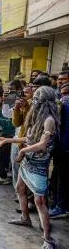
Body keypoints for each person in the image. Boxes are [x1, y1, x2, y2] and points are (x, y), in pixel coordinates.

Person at [0, 86, 59, 249]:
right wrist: (7, 140)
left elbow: (43, 144)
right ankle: (25, 218)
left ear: (44, 101)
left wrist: (23, 150)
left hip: (38, 164)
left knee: (39, 201)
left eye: (37, 97)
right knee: (19, 188)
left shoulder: (49, 120)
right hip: (28, 161)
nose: (34, 100)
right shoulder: (37, 116)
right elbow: (29, 138)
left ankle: (48, 238)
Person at [49, 83, 69, 218]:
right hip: (62, 147)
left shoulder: (63, 103)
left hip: (63, 147)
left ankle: (60, 206)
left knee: (61, 177)